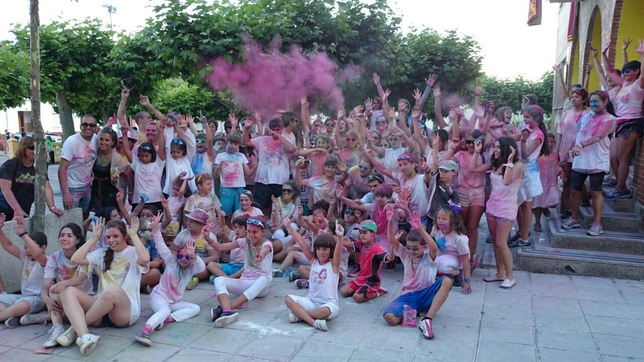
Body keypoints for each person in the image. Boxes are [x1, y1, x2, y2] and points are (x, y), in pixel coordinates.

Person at [57, 218, 150, 356]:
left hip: (124, 313)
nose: (111, 240)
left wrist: (134, 235)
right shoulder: (102, 253)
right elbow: (76, 259)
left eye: (115, 236)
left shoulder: (133, 252)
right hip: (99, 311)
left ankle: (74, 329)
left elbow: (145, 259)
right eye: (108, 237)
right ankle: (84, 336)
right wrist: (94, 238)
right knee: (68, 291)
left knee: (112, 290)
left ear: (125, 236)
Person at [134, 213, 205, 347]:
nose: (183, 258)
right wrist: (155, 229)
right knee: (164, 309)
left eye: (187, 257)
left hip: (174, 302)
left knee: (195, 308)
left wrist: (193, 256)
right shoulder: (171, 260)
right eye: (180, 255)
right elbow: (161, 245)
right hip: (158, 297)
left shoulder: (192, 268)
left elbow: (201, 267)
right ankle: (145, 330)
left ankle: (165, 320)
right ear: (176, 255)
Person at [383, 211, 452, 340]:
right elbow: (391, 240)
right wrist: (389, 221)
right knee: (389, 317)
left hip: (426, 294)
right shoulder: (405, 254)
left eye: (415, 248)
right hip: (408, 296)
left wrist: (420, 228)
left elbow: (433, 247)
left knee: (447, 280)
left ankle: (427, 319)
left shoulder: (429, 256)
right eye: (408, 247)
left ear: (423, 247)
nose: (410, 251)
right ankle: (417, 312)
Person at [469, 137, 522, 288]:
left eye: (498, 147)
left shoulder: (517, 165)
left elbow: (506, 181)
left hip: (507, 209)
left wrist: (510, 161)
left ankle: (510, 276)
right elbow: (472, 169)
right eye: (495, 147)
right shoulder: (495, 163)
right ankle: (499, 273)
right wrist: (476, 152)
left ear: (508, 148)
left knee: (501, 243)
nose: (495, 150)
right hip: (492, 206)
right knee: (495, 242)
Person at [563, 91, 617, 235]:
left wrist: (580, 145)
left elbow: (599, 136)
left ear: (605, 101)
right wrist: (569, 151)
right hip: (580, 160)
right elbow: (578, 135)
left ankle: (597, 224)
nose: (593, 104)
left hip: (598, 160)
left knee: (595, 192)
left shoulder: (609, 119)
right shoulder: (586, 117)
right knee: (574, 191)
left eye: (596, 101)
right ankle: (574, 218)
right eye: (591, 101)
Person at [210, 218, 274, 327]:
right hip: (245, 281)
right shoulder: (244, 241)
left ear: (263, 232)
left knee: (264, 279)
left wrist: (261, 254)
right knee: (218, 279)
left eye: (255, 232)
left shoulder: (267, 243)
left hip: (261, 288)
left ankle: (227, 308)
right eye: (249, 231)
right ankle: (227, 311)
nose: (251, 235)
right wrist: (207, 238)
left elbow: (266, 249)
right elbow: (219, 247)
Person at [40, 223, 94, 347]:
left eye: (69, 236)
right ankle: (57, 328)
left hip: (85, 300)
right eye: (62, 235)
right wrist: (46, 299)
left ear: (78, 239)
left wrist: (65, 283)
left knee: (64, 289)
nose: (64, 238)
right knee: (53, 291)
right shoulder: (54, 257)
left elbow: (80, 279)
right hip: (64, 301)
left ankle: (43, 318)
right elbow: (46, 285)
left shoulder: (85, 256)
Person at [284, 221, 343, 332]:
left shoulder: (333, 265)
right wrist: (291, 230)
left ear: (331, 250)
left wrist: (340, 237)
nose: (321, 252)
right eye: (319, 249)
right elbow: (301, 243)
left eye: (325, 249)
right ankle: (313, 322)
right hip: (311, 301)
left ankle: (300, 316)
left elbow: (338, 252)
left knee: (324, 312)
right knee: (288, 299)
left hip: (328, 304)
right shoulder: (313, 261)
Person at [604, 40, 644, 200]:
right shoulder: (625, 84)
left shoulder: (639, 85)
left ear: (637, 71)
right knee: (613, 156)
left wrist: (642, 55)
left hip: (632, 122)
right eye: (625, 71)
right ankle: (620, 184)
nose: (625, 73)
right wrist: (604, 54)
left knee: (622, 157)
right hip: (620, 123)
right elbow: (610, 71)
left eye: (629, 71)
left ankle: (621, 189)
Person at [0, 215, 47, 327]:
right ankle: (11, 316)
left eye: (31, 247)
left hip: (38, 299)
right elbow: (8, 245)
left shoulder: (46, 261)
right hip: (22, 296)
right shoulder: (25, 257)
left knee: (23, 306)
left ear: (43, 247)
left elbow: (38, 254)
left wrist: (23, 234)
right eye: (26, 247)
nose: (27, 251)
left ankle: (5, 314)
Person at [0, 136, 63, 220]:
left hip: (24, 210)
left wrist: (52, 208)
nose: (36, 151)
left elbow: (46, 187)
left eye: (40, 148)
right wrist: (17, 209)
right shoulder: (10, 165)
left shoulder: (38, 167)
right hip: (4, 209)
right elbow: (5, 189)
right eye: (33, 148)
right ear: (23, 148)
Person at [242, 118, 295, 215]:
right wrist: (246, 129)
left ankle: (277, 226)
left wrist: (279, 136)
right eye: (273, 129)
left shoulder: (286, 139)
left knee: (280, 207)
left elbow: (291, 149)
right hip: (263, 180)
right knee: (260, 207)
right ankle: (260, 225)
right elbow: (246, 142)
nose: (275, 131)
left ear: (282, 129)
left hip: (280, 180)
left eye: (277, 129)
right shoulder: (262, 139)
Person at [557, 88, 590, 219]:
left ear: (583, 99)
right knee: (566, 180)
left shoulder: (589, 114)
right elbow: (560, 132)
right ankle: (568, 208)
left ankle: (585, 195)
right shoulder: (566, 114)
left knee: (577, 180)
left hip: (580, 151)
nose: (574, 98)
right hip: (565, 150)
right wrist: (558, 150)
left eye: (577, 96)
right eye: (572, 96)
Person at [59, 115, 99, 219]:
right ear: (80, 126)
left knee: (85, 217)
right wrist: (65, 193)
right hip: (72, 188)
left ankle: (83, 236)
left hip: (87, 186)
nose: (88, 127)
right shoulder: (72, 142)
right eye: (85, 124)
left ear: (96, 127)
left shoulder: (95, 138)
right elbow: (62, 169)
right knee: (72, 220)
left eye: (92, 125)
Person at [339, 220, 387, 303]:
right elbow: (344, 243)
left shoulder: (378, 249)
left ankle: (378, 292)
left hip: (372, 280)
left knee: (357, 297)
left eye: (364, 232)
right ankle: (362, 290)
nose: (362, 235)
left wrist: (394, 246)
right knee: (343, 292)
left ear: (373, 234)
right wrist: (339, 235)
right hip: (361, 277)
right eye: (360, 233)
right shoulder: (360, 244)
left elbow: (390, 258)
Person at [214, 133, 250, 224]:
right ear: (227, 143)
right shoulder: (220, 156)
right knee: (225, 214)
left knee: (240, 214)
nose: (233, 146)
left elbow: (248, 173)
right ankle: (226, 233)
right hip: (226, 188)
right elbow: (215, 176)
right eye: (231, 143)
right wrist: (218, 167)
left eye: (235, 144)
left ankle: (238, 234)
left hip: (240, 188)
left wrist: (254, 166)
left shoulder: (241, 156)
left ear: (239, 145)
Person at [90, 127, 125, 214]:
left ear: (112, 142)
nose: (103, 142)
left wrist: (114, 179)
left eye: (107, 140)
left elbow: (115, 179)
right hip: (95, 190)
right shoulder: (95, 151)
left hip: (110, 192)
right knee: (97, 217)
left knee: (110, 216)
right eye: (101, 139)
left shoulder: (116, 158)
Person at [533, 133, 561, 232]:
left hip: (551, 182)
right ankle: (537, 222)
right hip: (540, 182)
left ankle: (545, 207)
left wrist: (561, 172)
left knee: (554, 199)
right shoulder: (537, 154)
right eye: (547, 142)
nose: (550, 144)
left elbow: (558, 165)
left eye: (552, 142)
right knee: (538, 202)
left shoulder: (556, 154)